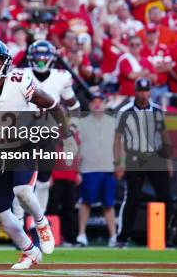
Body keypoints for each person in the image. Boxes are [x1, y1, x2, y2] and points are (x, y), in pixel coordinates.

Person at [0, 39, 75, 270]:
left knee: (22, 190)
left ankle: (41, 224)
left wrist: (66, 134)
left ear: (6, 63)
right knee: (0, 213)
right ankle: (29, 251)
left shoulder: (19, 81)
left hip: (25, 143)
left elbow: (52, 104)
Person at [12, 40, 80, 224]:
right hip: (24, 133)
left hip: (48, 134)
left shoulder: (61, 76)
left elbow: (75, 106)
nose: (41, 60)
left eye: (44, 56)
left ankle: (37, 223)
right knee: (22, 181)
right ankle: (18, 220)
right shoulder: (19, 75)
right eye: (37, 56)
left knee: (43, 180)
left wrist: (71, 129)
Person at [114, 77, 173, 248]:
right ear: (135, 91)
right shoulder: (125, 111)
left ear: (150, 91)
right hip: (134, 158)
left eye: (146, 90)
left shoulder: (157, 110)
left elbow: (164, 136)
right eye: (140, 90)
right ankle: (122, 238)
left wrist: (168, 161)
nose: (143, 94)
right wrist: (119, 162)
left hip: (155, 158)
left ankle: (165, 237)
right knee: (132, 198)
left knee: (165, 198)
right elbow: (118, 138)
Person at [74, 94, 117, 247]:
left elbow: (119, 145)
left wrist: (120, 163)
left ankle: (113, 236)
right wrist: (76, 170)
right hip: (88, 168)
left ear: (105, 104)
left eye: (100, 102)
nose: (97, 105)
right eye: (94, 102)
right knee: (85, 202)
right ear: (90, 105)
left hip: (108, 167)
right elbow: (76, 147)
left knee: (109, 203)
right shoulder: (81, 123)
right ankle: (81, 234)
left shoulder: (113, 122)